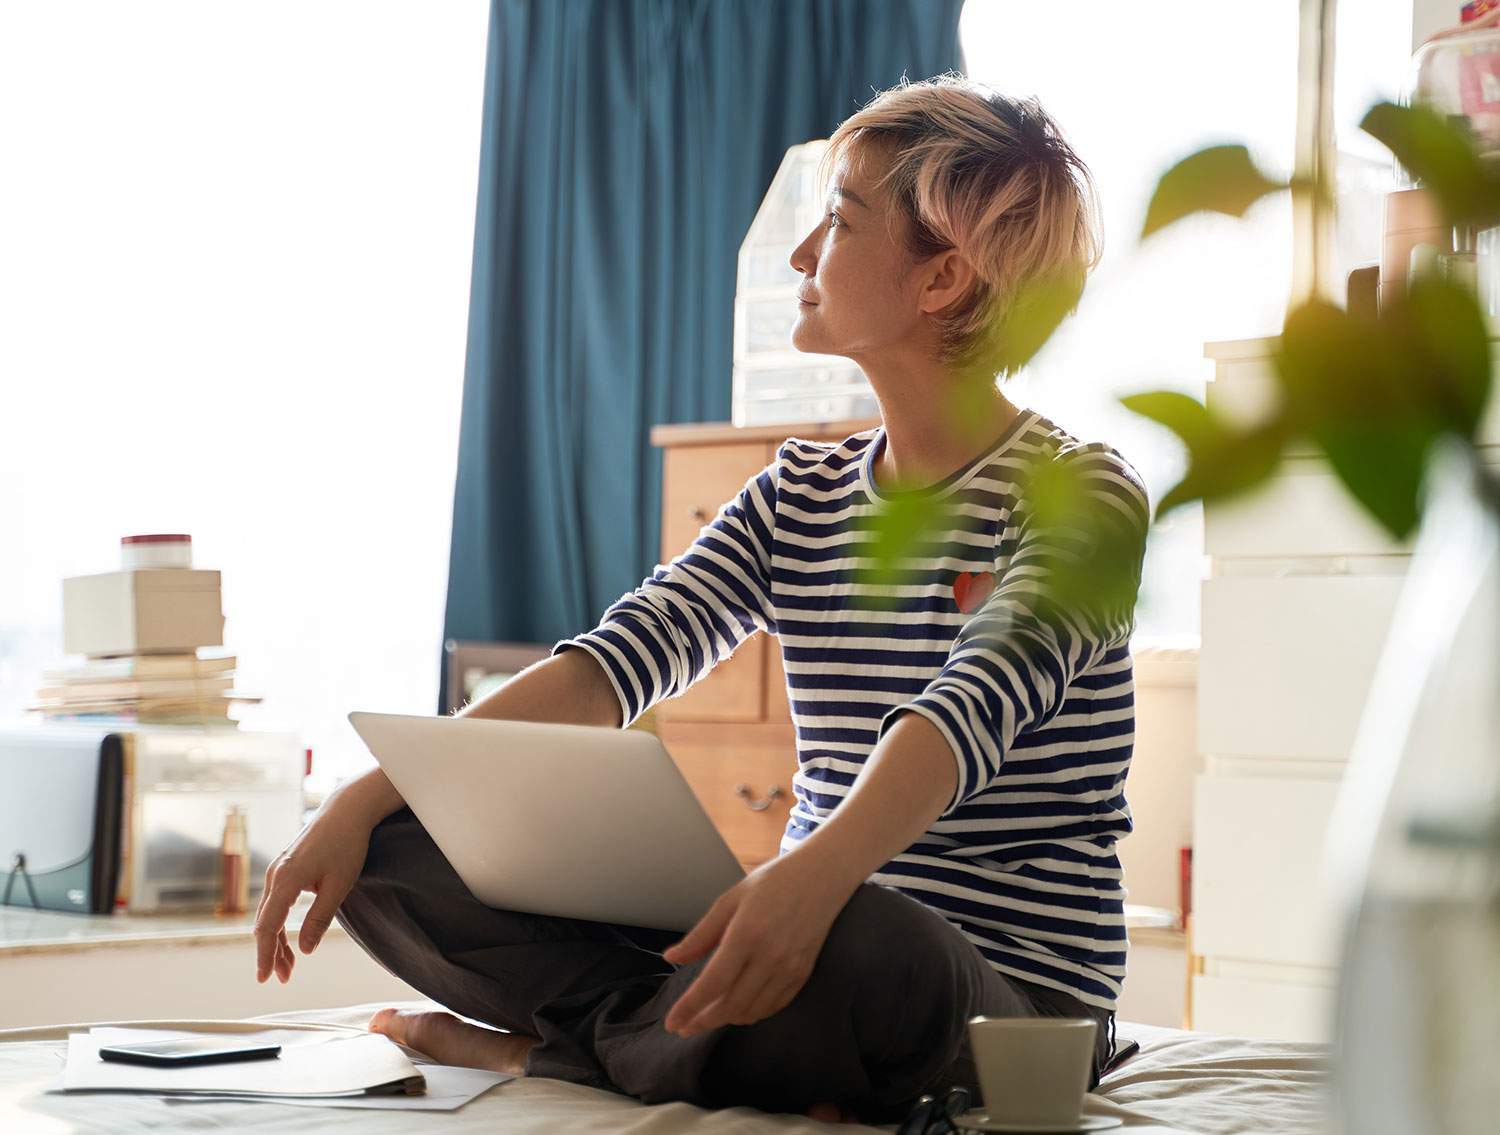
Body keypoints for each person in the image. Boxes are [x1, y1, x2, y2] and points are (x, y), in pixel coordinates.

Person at [252, 73, 1149, 1127]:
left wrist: (811, 881)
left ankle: (564, 1049)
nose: (802, 255)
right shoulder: (797, 495)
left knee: (871, 939)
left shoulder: (1084, 492)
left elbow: (973, 703)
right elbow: (614, 663)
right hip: (804, 944)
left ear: (941, 278)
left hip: (998, 1003)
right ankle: (659, 1041)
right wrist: (362, 797)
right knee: (392, 855)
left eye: (840, 220)